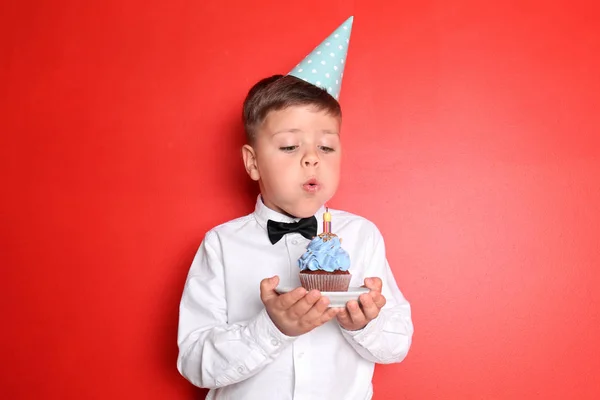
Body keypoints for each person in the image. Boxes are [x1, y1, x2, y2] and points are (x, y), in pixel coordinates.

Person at [177, 17, 413, 400]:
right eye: (289, 147)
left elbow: (398, 344)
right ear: (253, 163)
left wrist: (364, 324)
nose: (311, 160)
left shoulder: (362, 236)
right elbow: (194, 363)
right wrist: (271, 327)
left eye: (326, 146)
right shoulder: (220, 244)